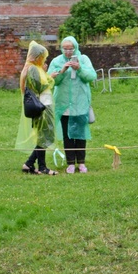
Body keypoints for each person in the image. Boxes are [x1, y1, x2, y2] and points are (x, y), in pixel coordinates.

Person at [48, 36, 96, 173]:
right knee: (67, 134)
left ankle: (81, 162)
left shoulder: (84, 59)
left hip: (80, 102)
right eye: (65, 49)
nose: (68, 51)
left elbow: (91, 77)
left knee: (80, 134)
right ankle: (70, 163)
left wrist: (80, 69)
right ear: (61, 49)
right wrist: (62, 71)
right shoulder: (56, 61)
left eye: (71, 48)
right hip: (63, 104)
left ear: (76, 47)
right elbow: (51, 81)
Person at [16, 41, 59, 175]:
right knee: (44, 137)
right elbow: (39, 87)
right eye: (42, 57)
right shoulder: (33, 69)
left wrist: (44, 73)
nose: (44, 60)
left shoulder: (35, 68)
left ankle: (30, 164)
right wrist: (50, 77)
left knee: (45, 136)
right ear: (37, 57)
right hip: (42, 106)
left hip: (44, 104)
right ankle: (41, 167)